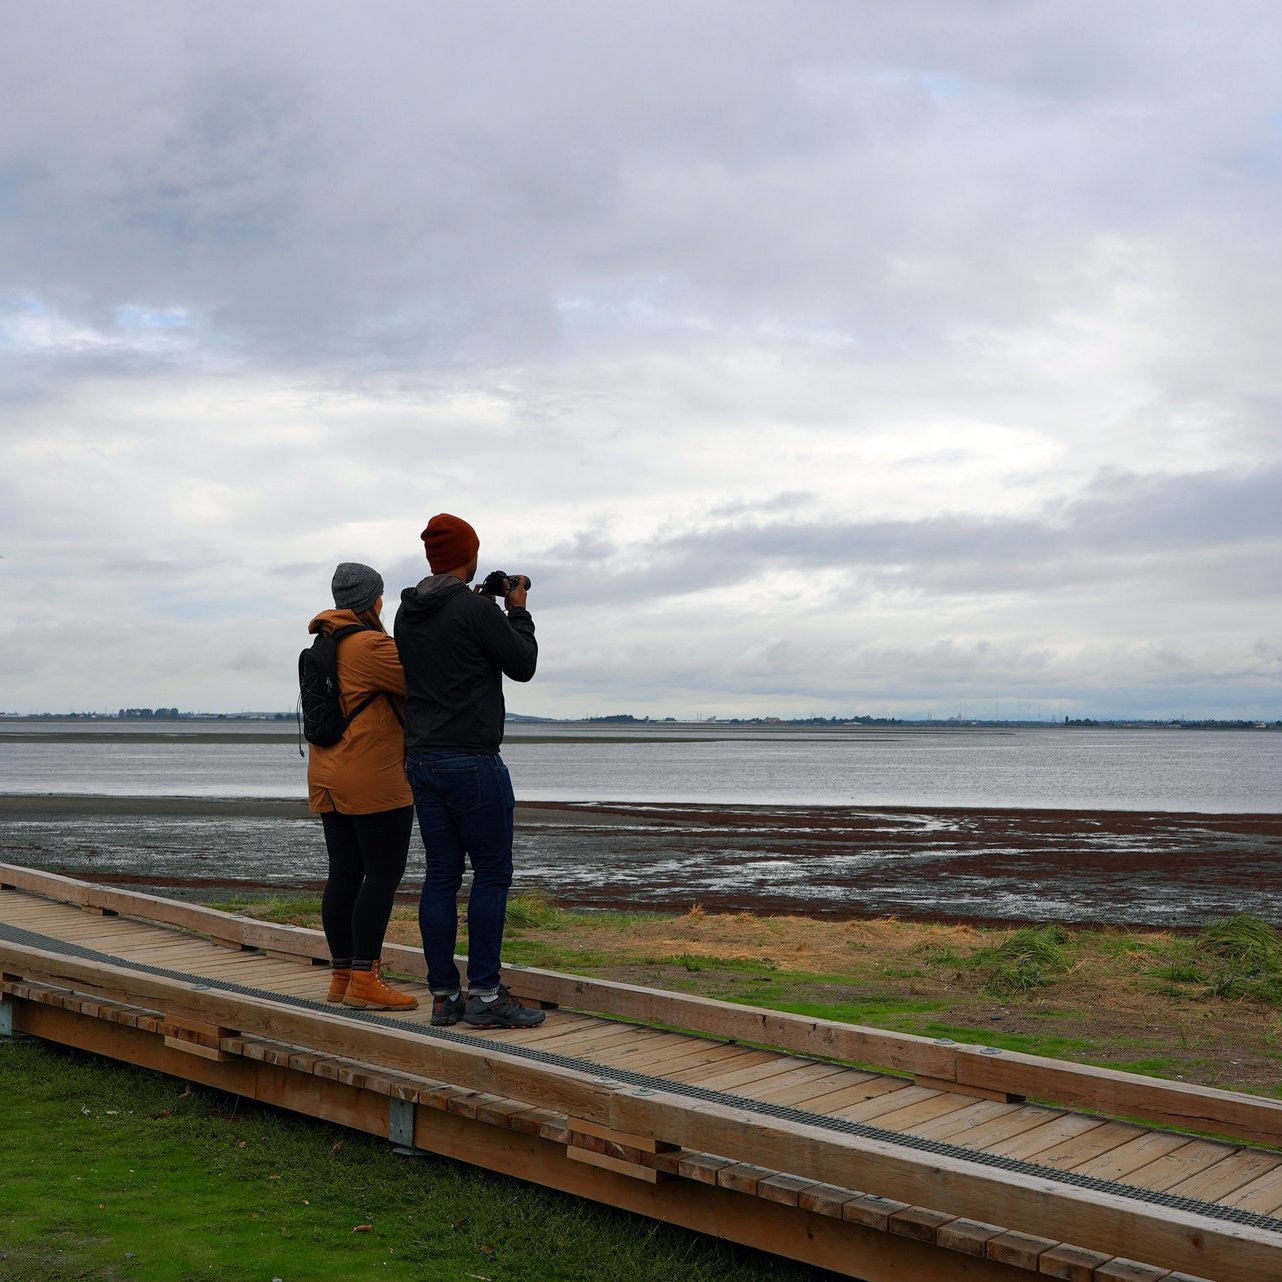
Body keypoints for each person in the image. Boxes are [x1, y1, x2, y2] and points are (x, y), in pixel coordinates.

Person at [394, 513, 544, 1029]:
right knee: (493, 874)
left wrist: (481, 605)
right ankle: (484, 994)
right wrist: (516, 611)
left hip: (423, 757)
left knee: (440, 875)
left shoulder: (407, 611)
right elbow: (522, 664)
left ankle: (443, 996)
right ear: (470, 554)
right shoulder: (475, 610)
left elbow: (449, 647)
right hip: (473, 759)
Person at [306, 562, 418, 1012]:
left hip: (328, 773)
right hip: (373, 775)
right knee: (383, 874)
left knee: (345, 873)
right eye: (381, 596)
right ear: (373, 600)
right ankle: (365, 979)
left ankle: (341, 977)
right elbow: (423, 681)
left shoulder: (325, 642)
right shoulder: (371, 645)